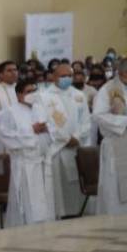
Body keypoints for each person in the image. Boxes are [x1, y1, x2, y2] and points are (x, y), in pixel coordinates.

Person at [0, 77, 56, 227]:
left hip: (41, 162)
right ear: (19, 95)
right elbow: (5, 136)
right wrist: (31, 131)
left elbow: (53, 130)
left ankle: (45, 232)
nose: (33, 94)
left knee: (44, 202)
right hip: (24, 164)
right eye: (29, 92)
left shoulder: (40, 109)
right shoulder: (10, 112)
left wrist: (47, 130)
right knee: (27, 205)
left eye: (35, 91)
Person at [40, 62, 90, 218]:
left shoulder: (79, 95)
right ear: (54, 77)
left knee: (76, 185)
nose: (67, 78)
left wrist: (76, 137)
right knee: (60, 187)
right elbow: (46, 122)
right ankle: (61, 214)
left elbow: (86, 121)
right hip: (57, 149)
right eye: (63, 76)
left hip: (75, 147)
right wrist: (64, 139)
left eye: (69, 75)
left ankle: (78, 212)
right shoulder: (45, 97)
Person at [91, 58, 127, 215]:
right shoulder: (107, 90)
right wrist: (125, 122)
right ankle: (115, 220)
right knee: (115, 188)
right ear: (121, 72)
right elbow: (98, 116)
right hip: (116, 144)